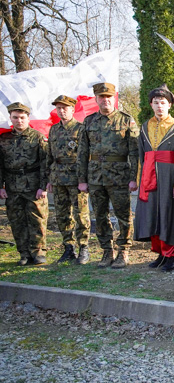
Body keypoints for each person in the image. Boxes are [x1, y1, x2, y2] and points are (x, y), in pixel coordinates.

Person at [77, 82, 140, 269]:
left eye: (108, 97)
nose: (105, 100)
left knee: (123, 215)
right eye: (101, 97)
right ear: (96, 99)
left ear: (114, 98)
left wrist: (133, 178)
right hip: (95, 176)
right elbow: (82, 153)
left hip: (119, 176)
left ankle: (123, 251)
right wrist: (82, 180)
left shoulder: (126, 120)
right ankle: (107, 250)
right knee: (100, 215)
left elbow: (135, 153)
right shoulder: (89, 122)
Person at [133, 84, 174, 272]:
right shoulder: (145, 126)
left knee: (168, 212)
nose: (159, 106)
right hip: (149, 174)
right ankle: (160, 253)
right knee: (152, 213)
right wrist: (140, 180)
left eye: (163, 102)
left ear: (169, 105)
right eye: (156, 103)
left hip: (168, 174)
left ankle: (172, 254)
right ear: (151, 105)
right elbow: (141, 155)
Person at [0, 102, 49, 265]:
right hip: (13, 186)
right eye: (15, 117)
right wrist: (1, 186)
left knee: (37, 218)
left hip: (33, 185)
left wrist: (43, 186)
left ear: (28, 118)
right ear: (11, 118)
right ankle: (24, 253)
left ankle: (38, 251)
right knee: (16, 220)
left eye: (22, 117)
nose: (19, 121)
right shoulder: (4, 139)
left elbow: (45, 163)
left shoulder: (37, 137)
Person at [46, 95, 90, 264]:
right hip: (58, 179)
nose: (62, 111)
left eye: (65, 108)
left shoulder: (81, 129)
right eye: (59, 108)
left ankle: (84, 248)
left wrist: (83, 179)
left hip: (76, 178)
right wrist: (50, 179)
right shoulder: (54, 130)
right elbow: (50, 156)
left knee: (81, 215)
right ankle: (68, 248)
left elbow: (84, 156)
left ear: (72, 109)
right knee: (62, 216)